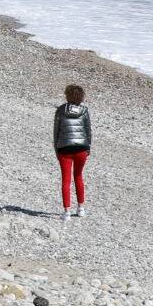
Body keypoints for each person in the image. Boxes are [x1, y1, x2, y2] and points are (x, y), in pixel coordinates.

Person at [54, 84, 93, 220]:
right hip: (81, 148)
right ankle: (81, 208)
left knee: (66, 180)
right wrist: (88, 148)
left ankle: (66, 212)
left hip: (64, 148)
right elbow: (88, 131)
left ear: (67, 95)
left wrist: (56, 149)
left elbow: (56, 131)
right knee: (78, 176)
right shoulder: (85, 111)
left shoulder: (60, 110)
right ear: (81, 97)